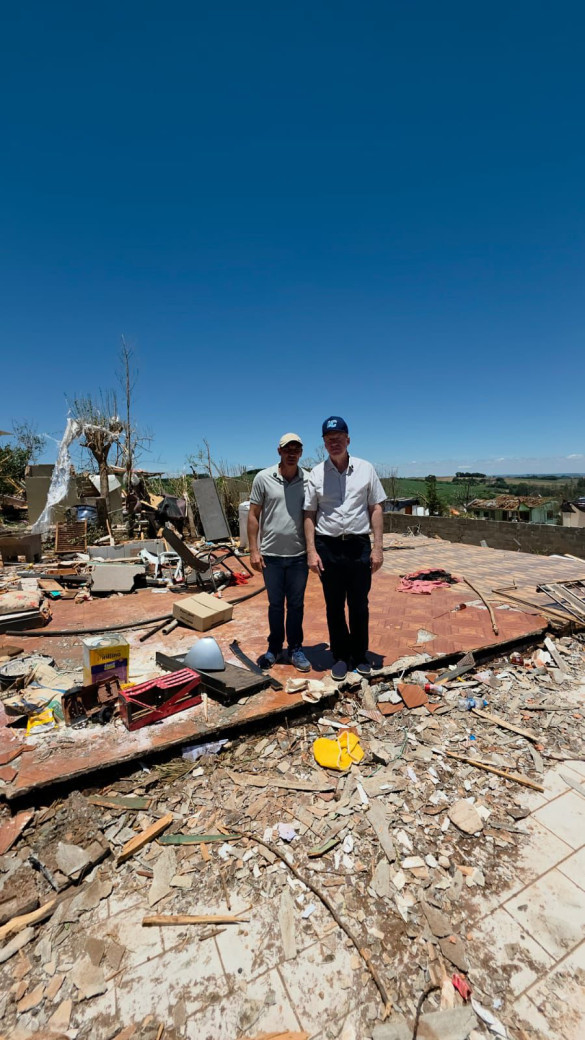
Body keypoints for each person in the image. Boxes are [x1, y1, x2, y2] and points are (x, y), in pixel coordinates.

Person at [304, 416, 385, 681]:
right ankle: (340, 656)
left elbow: (375, 507)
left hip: (358, 546)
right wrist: (311, 551)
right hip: (327, 547)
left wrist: (378, 548)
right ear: (324, 443)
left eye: (338, 438)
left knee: (359, 603)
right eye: (329, 440)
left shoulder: (365, 469)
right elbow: (309, 514)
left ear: (348, 440)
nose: (334, 443)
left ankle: (359, 655)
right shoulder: (316, 474)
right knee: (334, 605)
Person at [248, 433, 311, 672]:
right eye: (287, 449)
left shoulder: (309, 479)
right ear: (279, 451)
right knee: (275, 605)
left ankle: (295, 649)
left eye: (296, 450)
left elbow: (313, 515)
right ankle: (274, 648)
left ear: (301, 453)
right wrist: (254, 550)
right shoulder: (263, 478)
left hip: (298, 556)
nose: (292, 454)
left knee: (296, 605)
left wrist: (313, 550)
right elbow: (253, 515)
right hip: (271, 556)